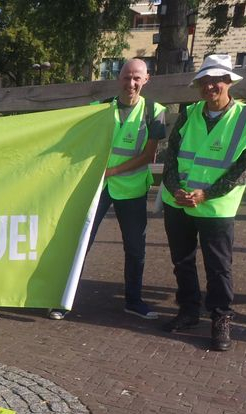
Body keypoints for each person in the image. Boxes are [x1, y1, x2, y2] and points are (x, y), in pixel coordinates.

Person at [159, 54, 246, 351]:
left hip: (216, 206)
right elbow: (172, 155)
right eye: (205, 81)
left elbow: (244, 166)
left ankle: (220, 318)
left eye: (216, 80)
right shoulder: (189, 112)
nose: (210, 86)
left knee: (219, 266)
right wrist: (175, 188)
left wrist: (207, 194)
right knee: (182, 260)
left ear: (229, 81)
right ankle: (189, 310)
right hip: (179, 200)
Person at [49, 58, 166, 321]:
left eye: (137, 78)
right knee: (80, 242)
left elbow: (149, 155)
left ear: (146, 80)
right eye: (126, 77)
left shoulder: (154, 111)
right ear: (118, 78)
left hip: (132, 189)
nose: (131, 83)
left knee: (135, 247)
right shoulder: (99, 108)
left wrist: (111, 171)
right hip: (97, 188)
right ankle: (63, 299)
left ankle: (134, 301)